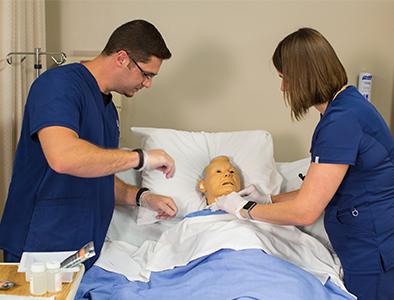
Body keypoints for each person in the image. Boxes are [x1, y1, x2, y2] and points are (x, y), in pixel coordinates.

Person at [216, 28, 394, 300]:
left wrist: (245, 209)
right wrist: (268, 200)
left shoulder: (341, 120)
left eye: (284, 78)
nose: (283, 88)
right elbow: (319, 188)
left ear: (303, 77)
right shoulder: (345, 106)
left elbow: (305, 212)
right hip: (366, 247)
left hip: (373, 252)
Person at [0, 20, 178, 269]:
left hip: (81, 249)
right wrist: (141, 158)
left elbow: (96, 173)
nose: (147, 83)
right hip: (40, 245)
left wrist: (142, 197)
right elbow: (63, 157)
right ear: (122, 58)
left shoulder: (108, 110)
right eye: (146, 74)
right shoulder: (58, 85)